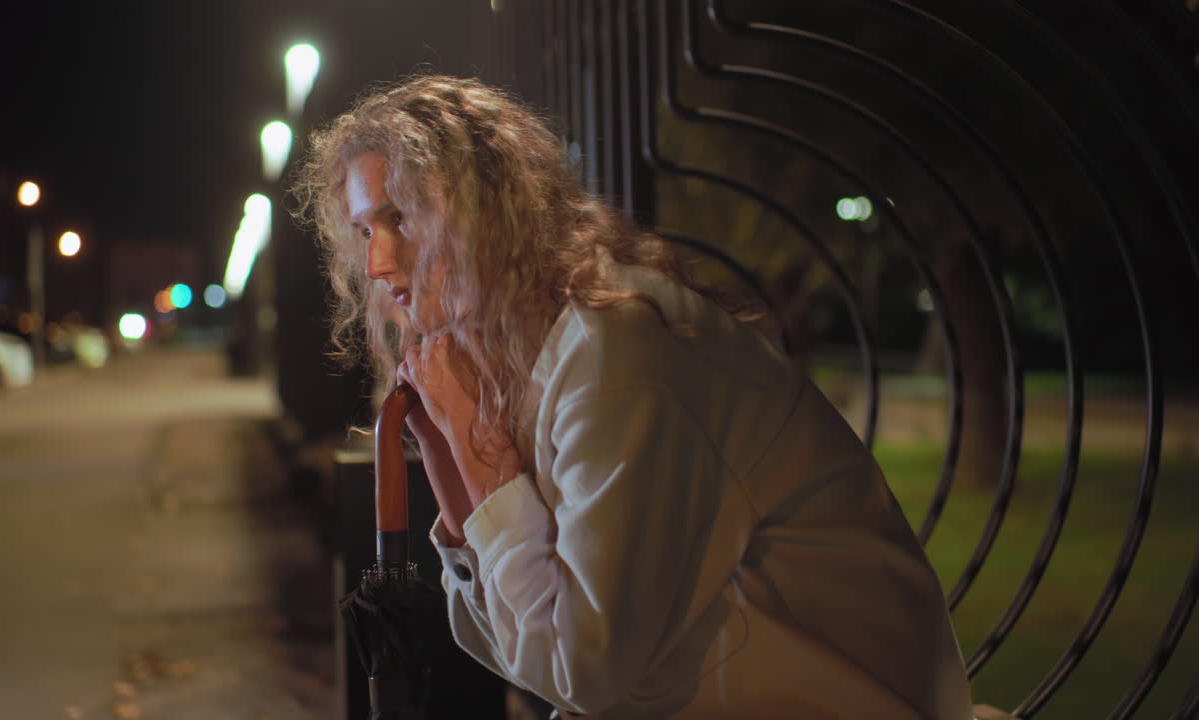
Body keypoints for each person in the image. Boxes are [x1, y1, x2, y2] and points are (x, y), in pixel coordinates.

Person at [295, 75, 973, 719]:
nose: (377, 263)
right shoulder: (532, 349)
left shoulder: (611, 350)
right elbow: (515, 650)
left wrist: (482, 452)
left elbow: (581, 668)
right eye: (364, 231)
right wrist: (453, 454)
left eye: (401, 217)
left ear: (485, 209)